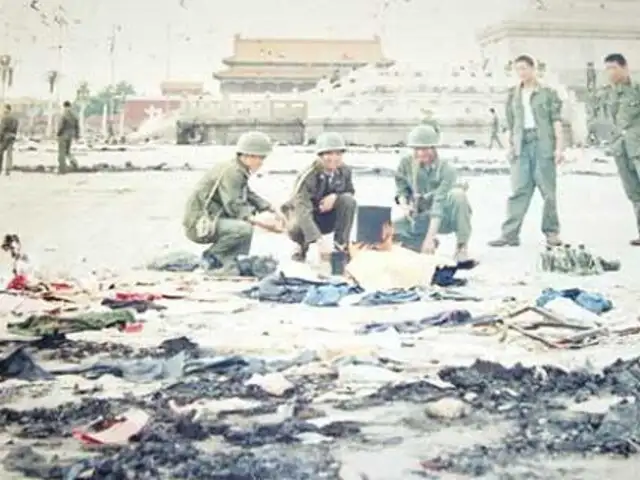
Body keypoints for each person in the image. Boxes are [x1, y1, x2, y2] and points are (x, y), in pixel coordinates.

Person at [488, 54, 565, 247]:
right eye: (518, 69)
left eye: (524, 68)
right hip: (521, 145)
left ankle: (551, 232)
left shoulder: (547, 93)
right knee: (519, 190)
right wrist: (510, 146)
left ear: (533, 68)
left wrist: (559, 148)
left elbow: (556, 121)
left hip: (543, 144)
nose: (521, 72)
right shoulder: (513, 95)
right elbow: (511, 123)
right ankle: (509, 234)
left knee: (548, 191)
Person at [182, 131, 280, 275]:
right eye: (261, 157)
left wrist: (269, 207)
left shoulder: (236, 168)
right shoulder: (233, 172)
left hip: (209, 219)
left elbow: (247, 194)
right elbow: (234, 205)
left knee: (245, 227)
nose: (262, 162)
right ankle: (213, 258)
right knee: (243, 228)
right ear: (248, 156)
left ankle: (231, 261)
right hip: (199, 224)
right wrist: (261, 222)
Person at [392, 124, 472, 261]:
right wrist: (405, 205)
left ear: (434, 148)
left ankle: (461, 246)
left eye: (425, 148)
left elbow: (438, 206)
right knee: (386, 234)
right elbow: (401, 188)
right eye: (416, 149)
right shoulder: (406, 164)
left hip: (444, 218)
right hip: (419, 216)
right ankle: (424, 244)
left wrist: (429, 237)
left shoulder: (447, 170)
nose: (420, 153)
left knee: (459, 195)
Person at [282, 132, 357, 262]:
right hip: (307, 218)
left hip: (327, 217)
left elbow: (350, 191)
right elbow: (302, 210)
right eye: (328, 154)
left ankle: (341, 246)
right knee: (295, 226)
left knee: (348, 201)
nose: (334, 158)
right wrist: (318, 240)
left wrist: (335, 197)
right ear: (320, 156)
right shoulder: (308, 176)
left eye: (338, 154)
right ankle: (302, 246)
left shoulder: (344, 171)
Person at [595, 53, 640, 245]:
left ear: (624, 67)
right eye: (607, 69)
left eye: (613, 67)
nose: (610, 72)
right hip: (620, 148)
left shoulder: (636, 90)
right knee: (633, 192)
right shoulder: (606, 93)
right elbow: (601, 119)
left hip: (637, 145)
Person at [57, 100, 80, 174]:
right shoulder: (74, 114)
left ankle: (62, 169)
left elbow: (62, 125)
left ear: (64, 106)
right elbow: (77, 125)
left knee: (62, 152)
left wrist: (58, 133)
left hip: (63, 134)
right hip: (71, 134)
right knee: (67, 151)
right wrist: (77, 135)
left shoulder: (64, 113)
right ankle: (74, 163)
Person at [0, 104, 18, 175]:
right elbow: (16, 129)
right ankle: (8, 170)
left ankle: (0, 168)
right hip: (12, 137)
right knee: (9, 154)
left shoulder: (4, 118)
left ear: (6, 109)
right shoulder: (15, 119)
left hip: (4, 137)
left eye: (4, 109)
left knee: (1, 153)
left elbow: (1, 129)